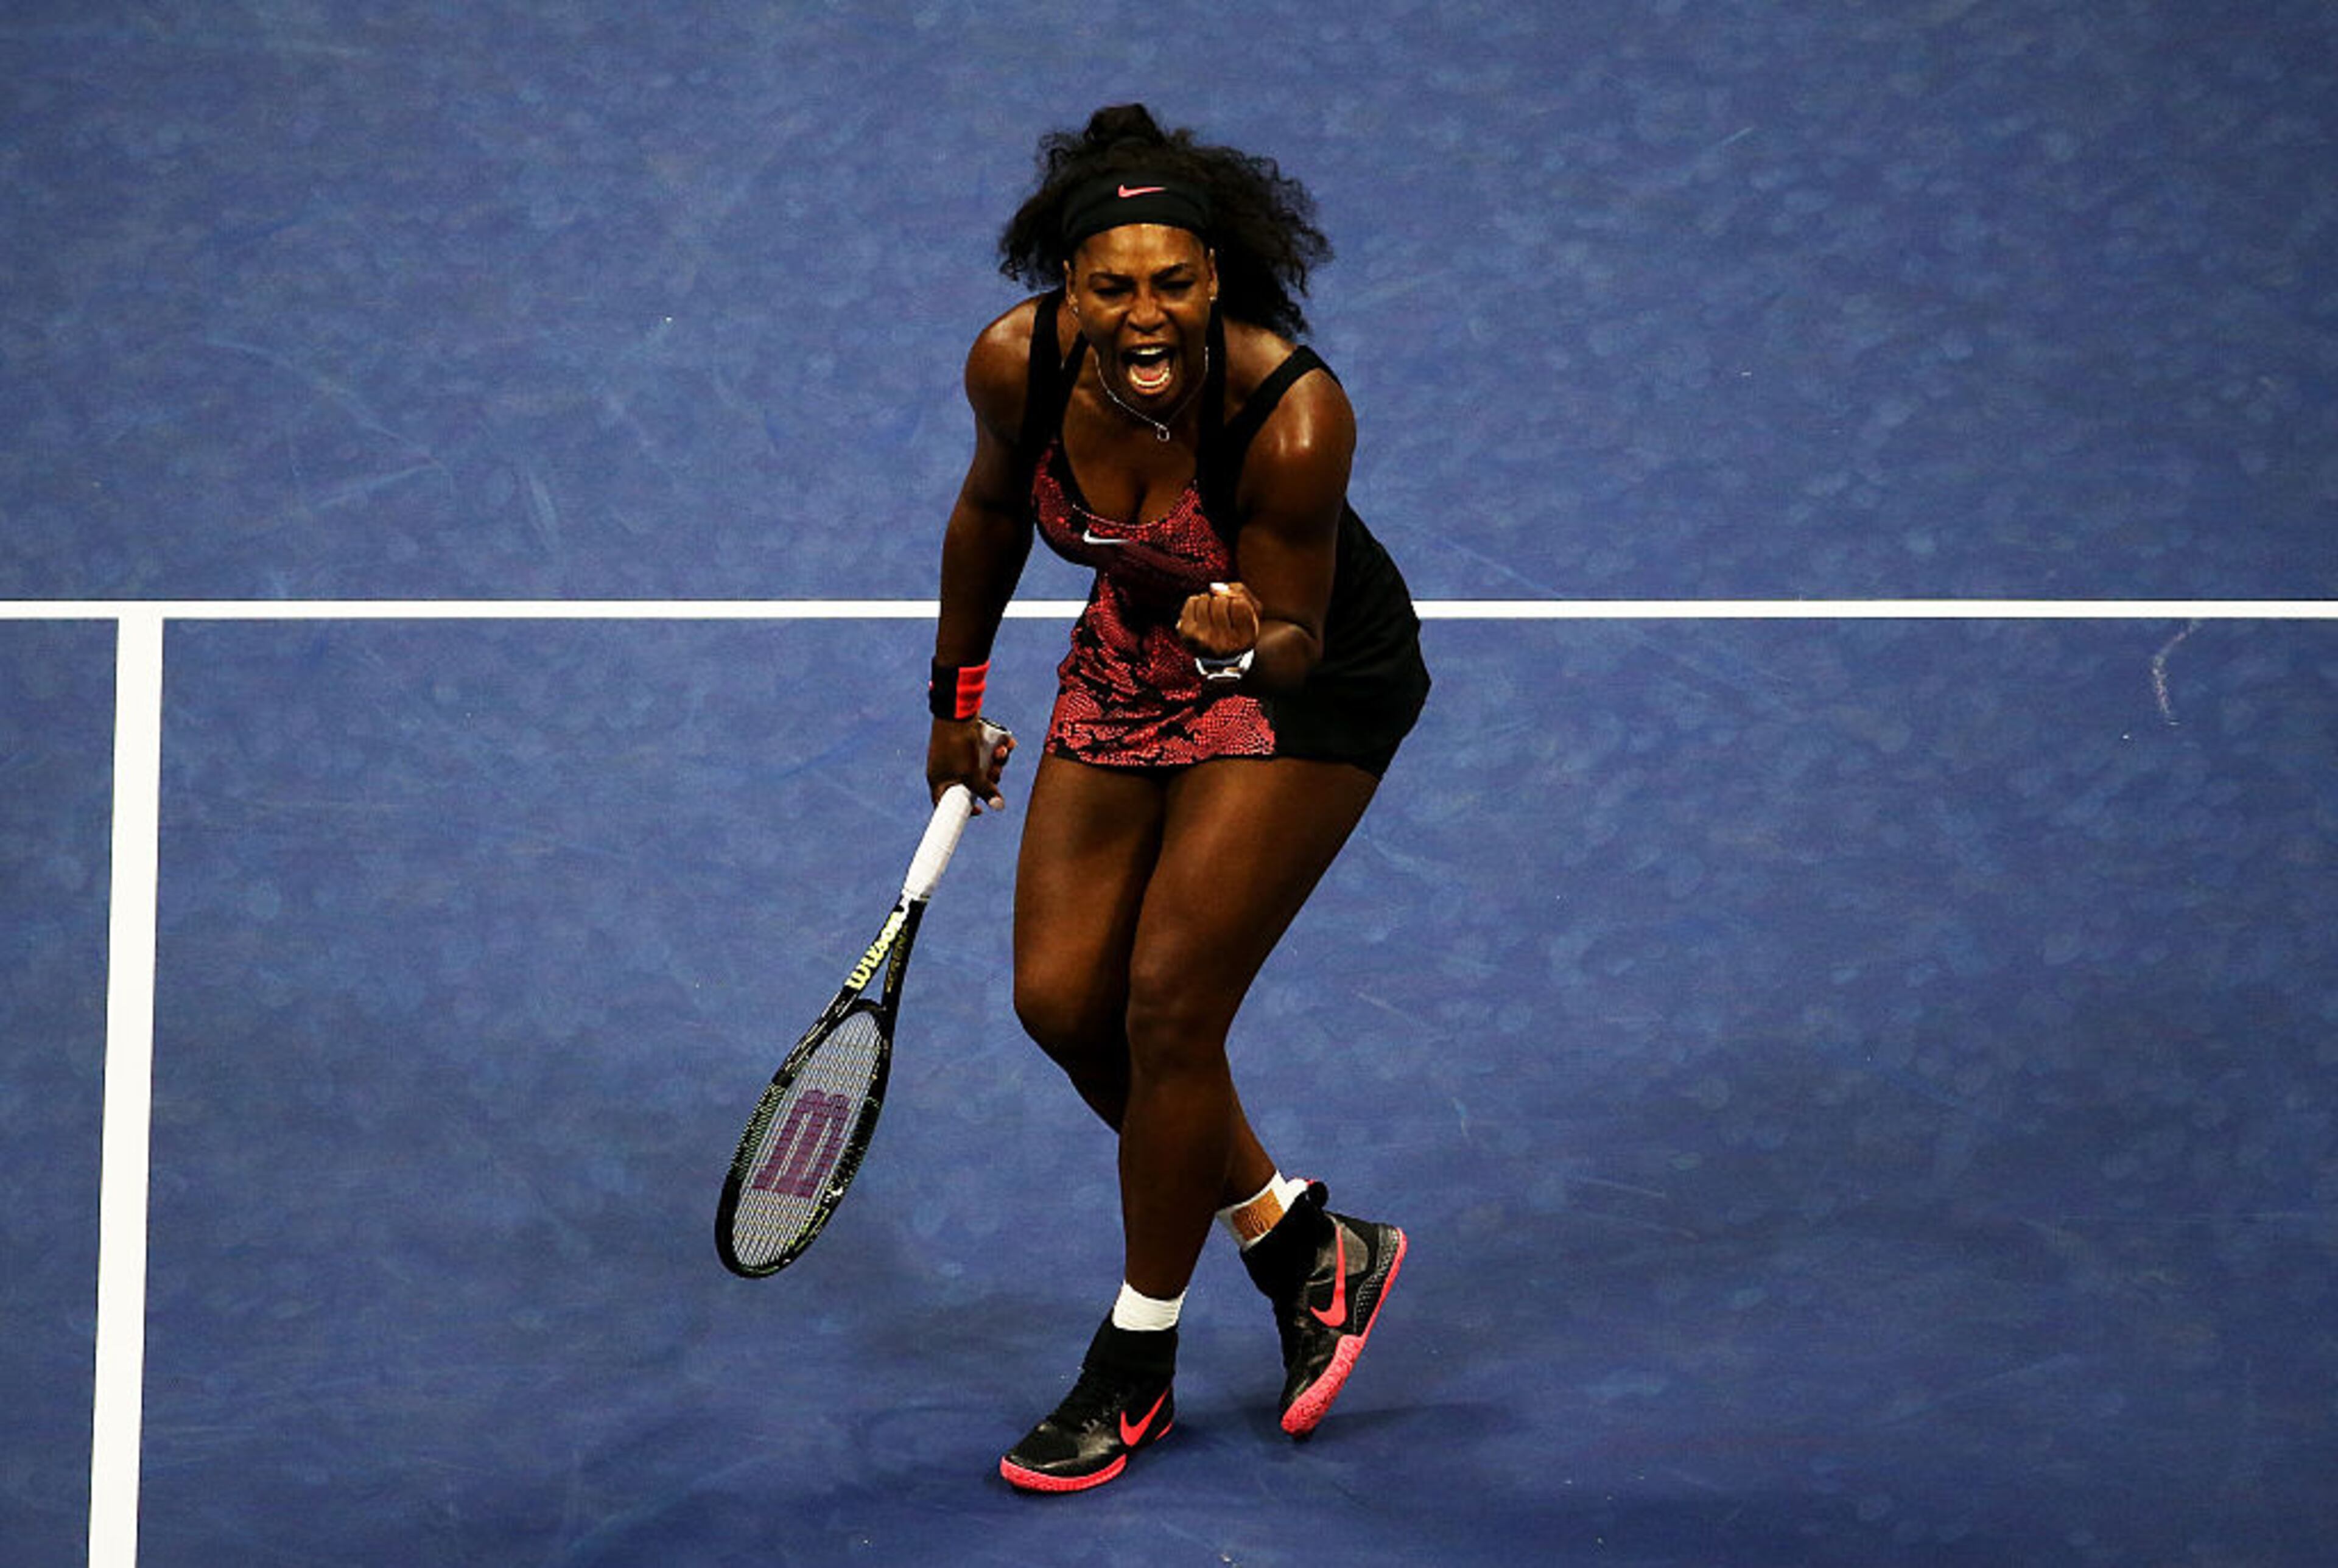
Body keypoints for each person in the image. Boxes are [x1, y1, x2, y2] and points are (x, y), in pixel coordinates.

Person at [924, 103, 1432, 1494]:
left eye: (1175, 283)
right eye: (1112, 285)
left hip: (1303, 674)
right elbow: (987, 513)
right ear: (1066, 288)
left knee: (1168, 1007)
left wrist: (1240, 641)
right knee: (1061, 1002)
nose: (1145, 315)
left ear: (1220, 279)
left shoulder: (1290, 410)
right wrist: (954, 707)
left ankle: (1135, 1358)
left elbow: (1299, 636)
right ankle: (1300, 1240)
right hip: (1144, 639)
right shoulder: (1017, 370)